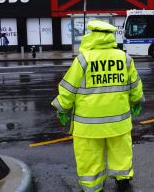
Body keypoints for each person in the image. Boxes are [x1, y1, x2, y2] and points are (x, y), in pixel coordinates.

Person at [51, 20, 144, 192]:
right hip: (119, 122)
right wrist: (137, 101)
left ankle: (92, 187)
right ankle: (122, 179)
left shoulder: (83, 60)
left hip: (88, 126)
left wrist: (62, 108)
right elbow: (135, 85)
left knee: (89, 157)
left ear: (92, 36)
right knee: (121, 151)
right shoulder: (124, 58)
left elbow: (68, 88)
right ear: (110, 38)